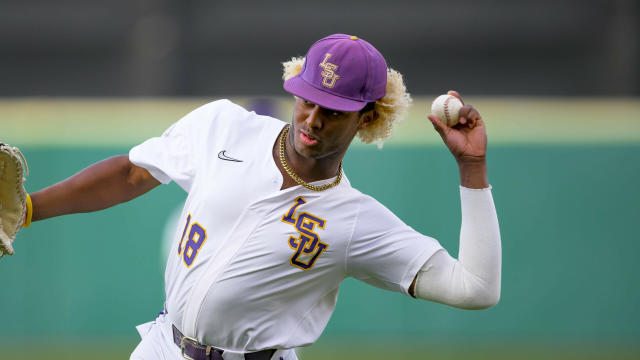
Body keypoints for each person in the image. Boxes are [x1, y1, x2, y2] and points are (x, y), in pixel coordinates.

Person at [17, 34, 501, 360]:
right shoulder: (225, 125)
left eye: (333, 111)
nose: (312, 119)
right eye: (308, 98)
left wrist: (472, 168)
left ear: (367, 118)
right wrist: (28, 209)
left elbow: (476, 288)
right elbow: (128, 174)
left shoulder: (355, 221)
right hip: (162, 347)